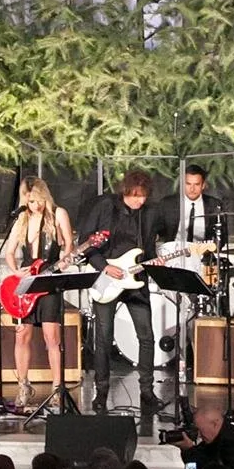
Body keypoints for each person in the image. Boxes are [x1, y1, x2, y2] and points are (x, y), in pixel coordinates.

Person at [82, 168, 169, 414]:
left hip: (136, 278)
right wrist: (105, 267)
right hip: (108, 277)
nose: (139, 201)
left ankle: (147, 391)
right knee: (103, 337)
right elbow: (87, 243)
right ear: (124, 192)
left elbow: (149, 249)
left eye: (143, 196)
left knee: (147, 336)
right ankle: (101, 392)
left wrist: (155, 262)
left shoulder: (150, 213)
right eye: (134, 196)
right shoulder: (104, 207)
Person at [1, 175, 75, 409]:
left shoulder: (58, 214)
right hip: (26, 283)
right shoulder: (21, 219)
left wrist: (64, 261)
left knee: (52, 338)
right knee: (22, 334)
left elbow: (68, 246)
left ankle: (56, 388)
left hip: (49, 280)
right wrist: (16, 271)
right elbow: (9, 252)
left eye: (39, 200)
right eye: (31, 201)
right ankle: (23, 385)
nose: (36, 205)